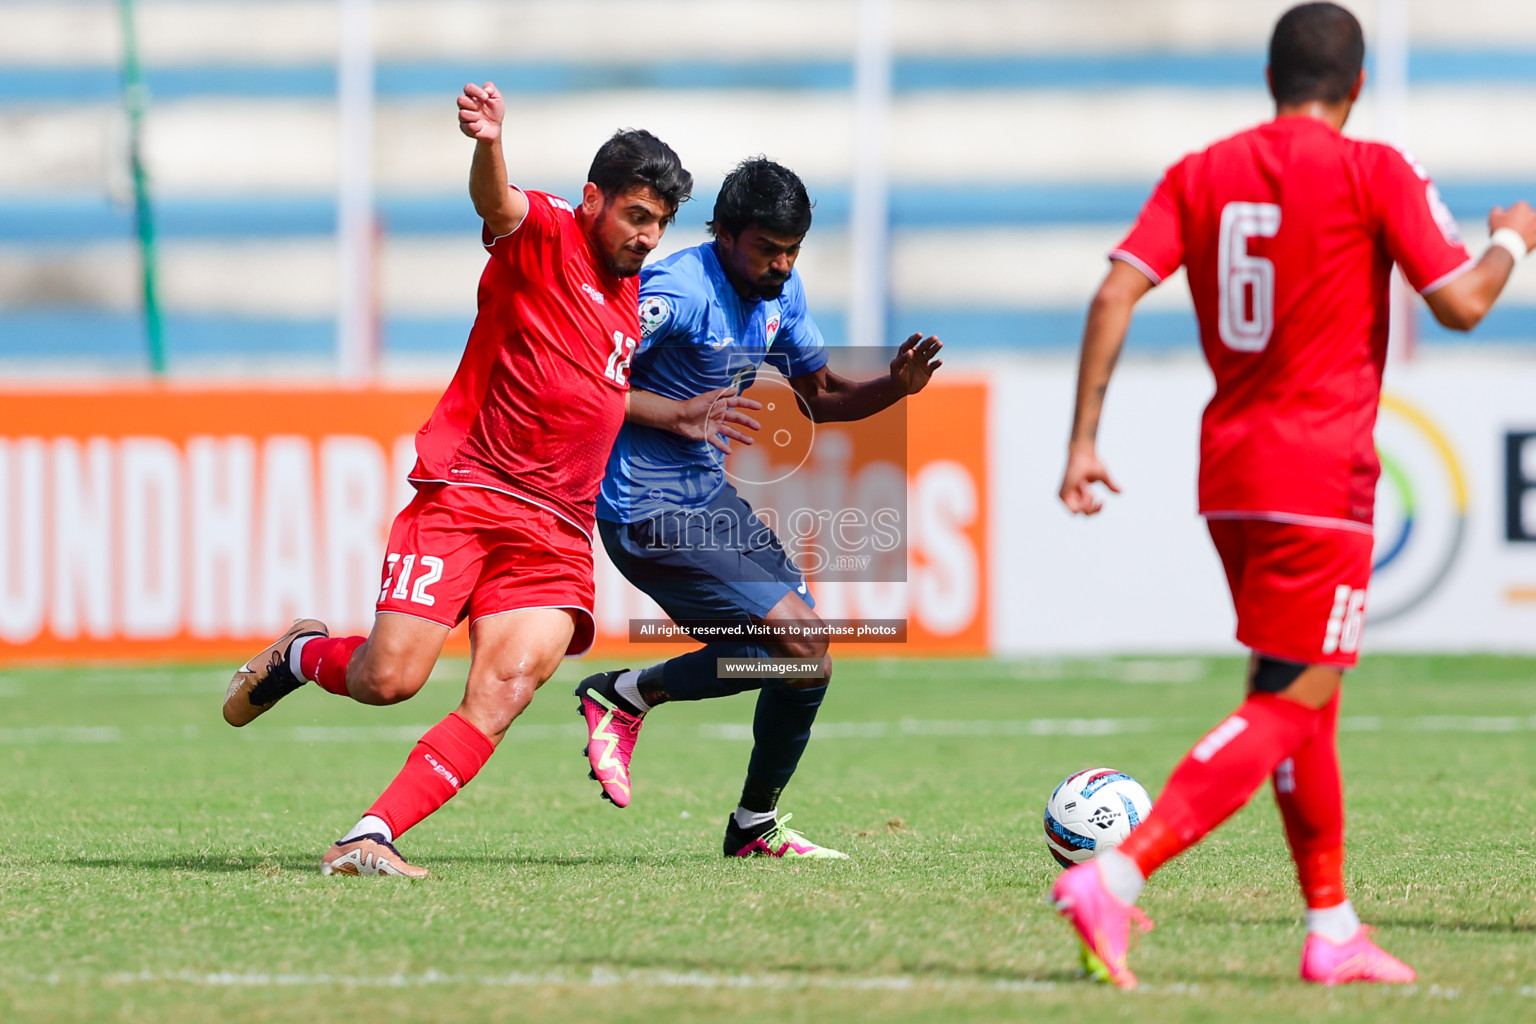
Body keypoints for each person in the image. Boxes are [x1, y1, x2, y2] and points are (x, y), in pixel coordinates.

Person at [1050, 1, 1536, 989]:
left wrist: (1084, 438)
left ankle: (1332, 927)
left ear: (1270, 79)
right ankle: (1118, 873)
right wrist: (1514, 241)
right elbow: (1465, 303)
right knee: (1293, 696)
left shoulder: (1201, 171)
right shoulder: (1376, 169)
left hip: (1230, 473)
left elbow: (1113, 291)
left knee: (1305, 699)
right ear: (1355, 86)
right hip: (1323, 477)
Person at [221, 82, 692, 877]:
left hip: (558, 530)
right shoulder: (546, 231)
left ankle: (369, 834)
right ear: (594, 200)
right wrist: (489, 141)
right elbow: (498, 202)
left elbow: (595, 387)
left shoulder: (628, 299)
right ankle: (302, 656)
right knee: (389, 678)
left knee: (506, 687)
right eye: (636, 216)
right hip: (470, 493)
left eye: (660, 224)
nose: (647, 237)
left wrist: (672, 415)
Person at [573, 157, 942, 859]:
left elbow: (822, 394)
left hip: (706, 496)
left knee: (805, 662)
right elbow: (583, 377)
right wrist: (676, 412)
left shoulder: (784, 291)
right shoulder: (675, 291)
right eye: (768, 250)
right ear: (725, 235)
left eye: (792, 251)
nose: (781, 265)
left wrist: (895, 387)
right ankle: (629, 698)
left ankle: (750, 822)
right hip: (642, 505)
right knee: (798, 643)